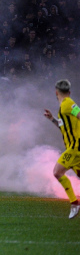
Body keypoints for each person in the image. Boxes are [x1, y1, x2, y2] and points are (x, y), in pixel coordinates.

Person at [43, 79, 80, 219]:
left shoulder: (69, 104)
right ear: (69, 92)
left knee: (57, 172)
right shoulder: (64, 108)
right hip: (75, 148)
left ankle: (75, 203)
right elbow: (63, 127)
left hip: (75, 148)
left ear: (56, 92)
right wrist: (52, 119)